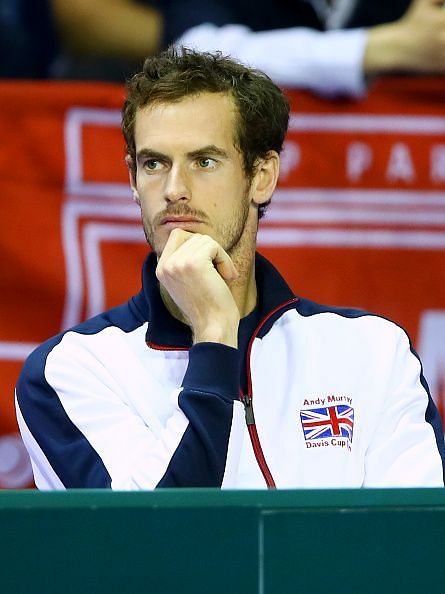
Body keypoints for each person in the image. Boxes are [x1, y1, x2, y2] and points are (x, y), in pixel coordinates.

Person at [15, 47, 445, 489]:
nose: (173, 190)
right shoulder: (72, 369)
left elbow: (414, 541)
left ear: (262, 176)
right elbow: (152, 541)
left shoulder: (373, 351)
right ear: (132, 179)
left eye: (204, 162)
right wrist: (215, 335)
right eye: (154, 163)